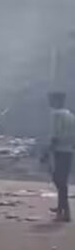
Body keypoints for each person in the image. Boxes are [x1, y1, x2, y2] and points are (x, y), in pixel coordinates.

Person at [42, 91, 75, 222]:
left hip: (59, 151)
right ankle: (61, 208)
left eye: (51, 100)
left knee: (59, 180)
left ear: (56, 101)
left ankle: (65, 211)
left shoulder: (56, 115)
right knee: (61, 180)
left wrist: (46, 152)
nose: (49, 102)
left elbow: (55, 136)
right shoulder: (70, 115)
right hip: (69, 150)